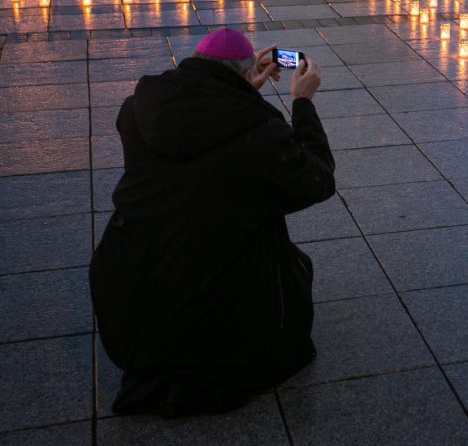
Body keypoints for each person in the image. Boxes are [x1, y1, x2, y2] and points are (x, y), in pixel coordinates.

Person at [90, 29, 335, 416]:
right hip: (223, 334)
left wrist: (241, 90)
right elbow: (317, 180)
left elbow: (201, 126)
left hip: (131, 315)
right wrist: (302, 103)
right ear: (241, 75)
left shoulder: (137, 108)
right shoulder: (258, 132)